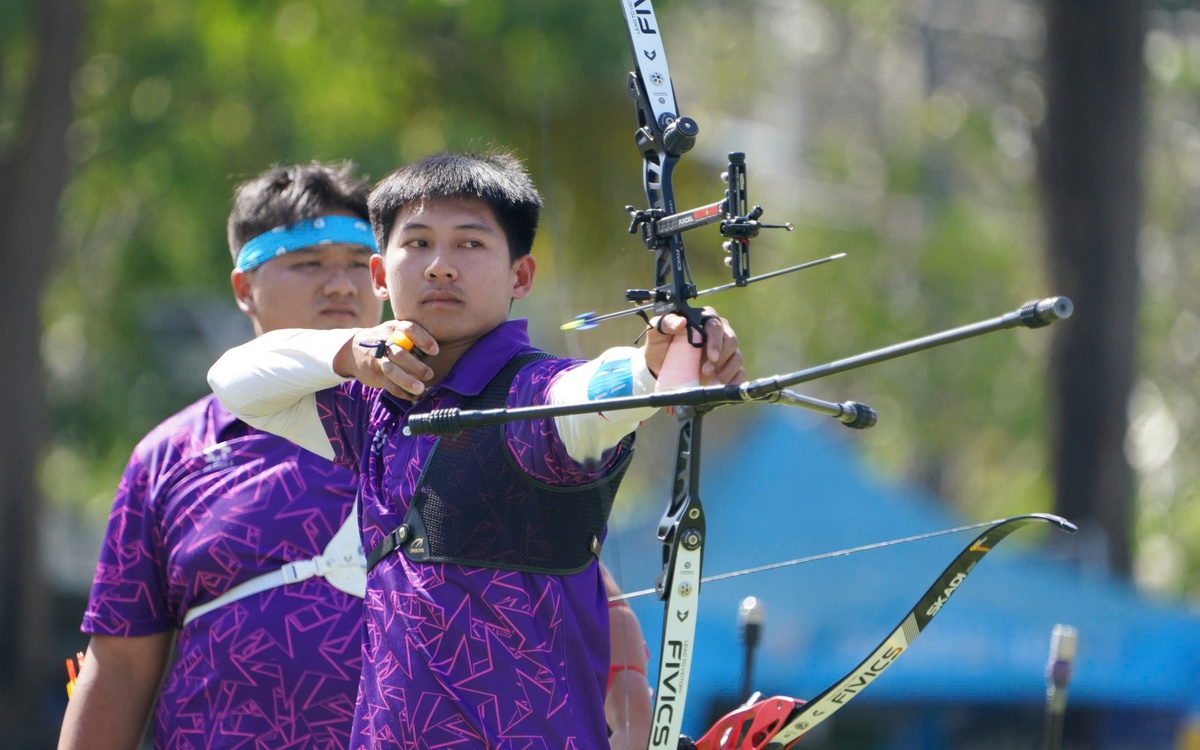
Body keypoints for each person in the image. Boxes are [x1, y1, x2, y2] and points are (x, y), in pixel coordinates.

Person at [207, 150, 744, 749]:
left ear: (520, 276)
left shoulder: (533, 397)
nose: (440, 267)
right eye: (418, 244)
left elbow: (593, 394)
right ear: (381, 277)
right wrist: (352, 350)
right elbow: (234, 381)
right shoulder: (373, 402)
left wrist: (658, 360)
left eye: (469, 244)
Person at [59, 163, 383, 750]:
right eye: (308, 263)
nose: (341, 284)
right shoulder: (168, 457)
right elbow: (120, 667)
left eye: (361, 264)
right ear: (243, 289)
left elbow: (572, 599)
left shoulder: (441, 423)